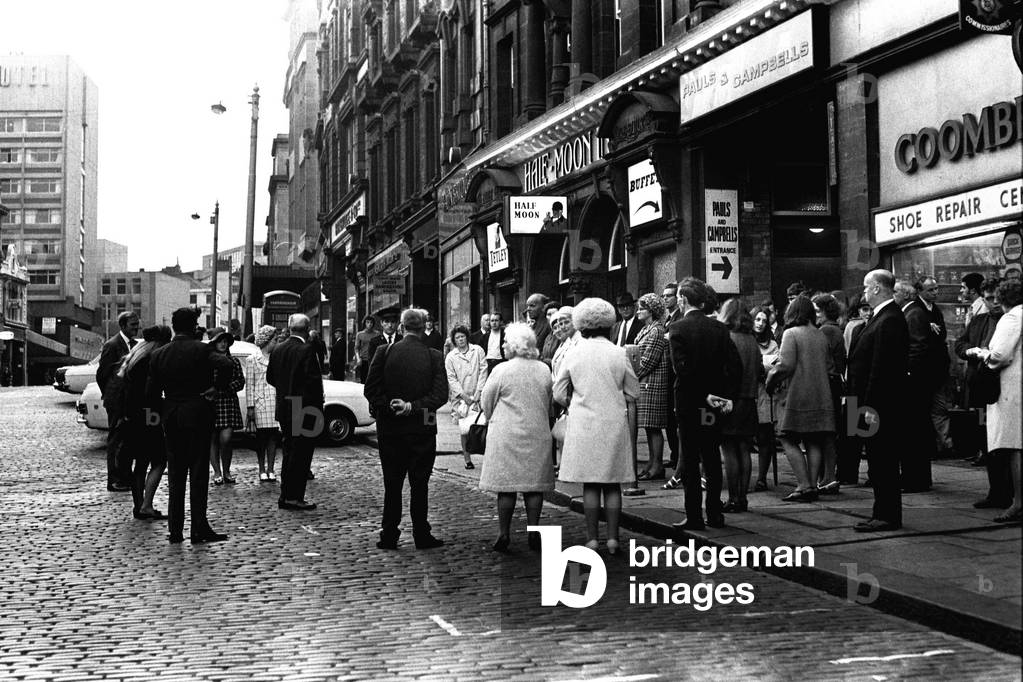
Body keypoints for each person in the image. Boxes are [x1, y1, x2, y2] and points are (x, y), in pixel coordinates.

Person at [554, 298, 639, 554]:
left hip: (584, 423)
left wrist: (574, 401)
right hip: (613, 422)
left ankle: (592, 538)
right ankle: (613, 539)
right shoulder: (619, 352)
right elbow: (634, 391)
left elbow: (558, 392)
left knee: (590, 484)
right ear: (608, 324)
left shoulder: (574, 352)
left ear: (582, 325)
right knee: (613, 483)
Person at [146, 306, 234, 544]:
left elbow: (151, 393)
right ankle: (198, 528)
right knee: (197, 472)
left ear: (174, 326)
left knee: (175, 473)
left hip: (172, 414)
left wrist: (161, 412)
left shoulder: (159, 354)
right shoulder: (201, 350)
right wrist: (217, 388)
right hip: (197, 411)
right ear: (194, 326)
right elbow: (226, 365)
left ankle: (175, 530)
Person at [364, 308, 448, 550]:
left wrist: (390, 407)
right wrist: (413, 407)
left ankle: (389, 534)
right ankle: (421, 534)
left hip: (390, 430)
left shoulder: (385, 351)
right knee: (420, 484)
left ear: (401, 327)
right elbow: (440, 395)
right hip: (423, 427)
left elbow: (371, 389)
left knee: (392, 484)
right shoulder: (433, 355)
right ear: (424, 328)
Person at [665, 278, 740, 530]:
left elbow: (682, 371)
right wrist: (722, 396)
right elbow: (735, 367)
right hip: (711, 408)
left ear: (683, 300)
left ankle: (694, 516)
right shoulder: (719, 329)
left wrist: (703, 395)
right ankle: (715, 514)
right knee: (711, 456)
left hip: (689, 405)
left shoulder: (677, 328)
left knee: (689, 458)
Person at [478, 323, 554, 552]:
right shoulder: (543, 369)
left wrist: (494, 417)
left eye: (505, 342)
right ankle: (534, 531)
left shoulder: (501, 370)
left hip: (506, 434)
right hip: (537, 432)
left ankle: (504, 533)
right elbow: (549, 399)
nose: (502, 345)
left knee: (506, 487)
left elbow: (486, 402)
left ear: (514, 345)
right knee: (534, 487)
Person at [847, 270, 909, 532]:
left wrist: (871, 408)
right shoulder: (880, 318)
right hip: (865, 402)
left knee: (883, 459)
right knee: (875, 459)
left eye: (865, 287)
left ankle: (887, 515)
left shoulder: (890, 319)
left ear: (876, 288)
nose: (863, 292)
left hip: (877, 406)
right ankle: (880, 512)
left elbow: (881, 369)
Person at [767, 297, 836, 503]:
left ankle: (803, 484)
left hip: (798, 394)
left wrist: (771, 378)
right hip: (820, 394)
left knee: (786, 438)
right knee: (813, 439)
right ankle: (812, 485)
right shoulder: (820, 334)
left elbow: (786, 365)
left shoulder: (791, 333)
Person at [956, 279, 1008, 502]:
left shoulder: (1010, 320)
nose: (993, 303)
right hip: (979, 385)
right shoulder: (978, 321)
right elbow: (959, 344)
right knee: (986, 440)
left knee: (1003, 443)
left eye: (997, 298)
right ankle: (995, 491)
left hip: (1002, 387)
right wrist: (971, 351)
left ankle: (1006, 492)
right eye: (989, 298)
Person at [267, 313, 324, 511]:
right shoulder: (307, 349)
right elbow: (313, 383)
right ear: (307, 329)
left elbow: (271, 378)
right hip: (304, 408)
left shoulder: (278, 349)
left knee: (290, 451)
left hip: (285, 406)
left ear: (290, 328)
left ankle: (286, 494)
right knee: (301, 455)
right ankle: (294, 497)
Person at [118, 324, 172, 521]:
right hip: (149, 416)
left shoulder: (135, 357)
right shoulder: (151, 360)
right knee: (159, 460)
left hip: (133, 418)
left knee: (140, 463)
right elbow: (151, 394)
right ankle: (146, 505)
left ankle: (139, 505)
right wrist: (156, 417)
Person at [979, 279, 1022, 524]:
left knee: (1015, 446)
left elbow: (1000, 355)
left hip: (1011, 389)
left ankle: (1017, 503)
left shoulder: (1012, 318)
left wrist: (982, 354)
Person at [903, 276, 949, 490]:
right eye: (931, 289)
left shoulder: (917, 312)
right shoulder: (918, 311)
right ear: (919, 291)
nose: (935, 292)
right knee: (922, 424)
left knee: (918, 426)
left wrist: (910, 373)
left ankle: (919, 474)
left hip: (923, 376)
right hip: (927, 374)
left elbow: (919, 346)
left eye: (936, 288)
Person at [718, 299, 761, 512]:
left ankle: (733, 497)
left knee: (729, 451)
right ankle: (743, 497)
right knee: (744, 450)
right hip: (749, 401)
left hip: (730, 401)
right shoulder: (752, 340)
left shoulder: (727, 338)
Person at [97, 311, 140, 492]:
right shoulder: (112, 345)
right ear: (122, 326)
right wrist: (110, 395)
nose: (136, 328)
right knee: (115, 440)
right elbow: (102, 374)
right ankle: (113, 479)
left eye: (137, 325)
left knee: (129, 440)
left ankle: (125, 476)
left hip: (130, 400)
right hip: (116, 400)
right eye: (132, 325)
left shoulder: (136, 345)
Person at [633, 293, 670, 482]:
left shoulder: (656, 331)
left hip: (653, 384)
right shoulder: (648, 329)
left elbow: (648, 361)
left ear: (652, 311)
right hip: (646, 383)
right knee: (649, 427)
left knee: (653, 427)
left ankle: (657, 465)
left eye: (642, 308)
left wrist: (632, 375)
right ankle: (652, 463)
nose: (638, 311)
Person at [812, 293, 847, 494]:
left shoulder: (825, 331)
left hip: (827, 384)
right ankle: (828, 476)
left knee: (825, 433)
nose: (815, 315)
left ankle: (828, 477)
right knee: (828, 433)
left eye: (817, 311)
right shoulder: (835, 329)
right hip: (833, 384)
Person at [445, 324, 489, 470]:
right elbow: (451, 378)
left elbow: (483, 370)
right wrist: (463, 395)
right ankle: (467, 459)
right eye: (457, 338)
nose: (460, 340)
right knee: (464, 429)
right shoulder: (451, 357)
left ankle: (486, 457)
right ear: (454, 340)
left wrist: (479, 392)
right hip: (461, 398)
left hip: (478, 395)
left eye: (462, 336)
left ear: (467, 337)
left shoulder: (478, 350)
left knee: (482, 426)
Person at [207, 329, 244, 486]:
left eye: (225, 341)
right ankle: (217, 472)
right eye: (219, 341)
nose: (222, 344)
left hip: (228, 401)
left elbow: (240, 381)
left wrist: (227, 388)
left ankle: (227, 470)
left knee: (226, 439)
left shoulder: (233, 361)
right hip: (212, 402)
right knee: (213, 438)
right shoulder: (208, 360)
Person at [246, 324, 281, 483]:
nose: (276, 342)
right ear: (267, 340)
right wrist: (250, 406)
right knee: (261, 438)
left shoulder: (277, 357)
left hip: (274, 401)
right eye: (275, 339)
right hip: (260, 403)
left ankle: (271, 469)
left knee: (273, 437)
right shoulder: (252, 359)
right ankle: (261, 469)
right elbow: (250, 385)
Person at [751, 305, 779, 491]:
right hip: (749, 392)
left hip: (765, 393)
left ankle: (762, 477)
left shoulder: (772, 343)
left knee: (765, 438)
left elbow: (776, 366)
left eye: (764, 320)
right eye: (757, 319)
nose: (760, 324)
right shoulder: (747, 340)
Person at [661, 282, 682, 469]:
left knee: (674, 420)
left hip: (674, 373)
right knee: (669, 420)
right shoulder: (667, 319)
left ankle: (678, 456)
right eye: (664, 296)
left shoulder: (679, 318)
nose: (665, 298)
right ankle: (675, 454)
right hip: (667, 373)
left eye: (669, 295)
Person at [353, 316, 380, 383]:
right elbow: (356, 348)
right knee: (364, 380)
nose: (369, 324)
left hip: (374, 360)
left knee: (373, 380)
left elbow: (380, 347)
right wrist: (358, 358)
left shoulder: (377, 334)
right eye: (367, 322)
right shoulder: (359, 334)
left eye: (371, 322)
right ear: (364, 323)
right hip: (364, 360)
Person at [539, 302, 562, 367]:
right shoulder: (548, 336)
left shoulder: (562, 335)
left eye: (555, 313)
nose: (552, 316)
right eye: (549, 314)